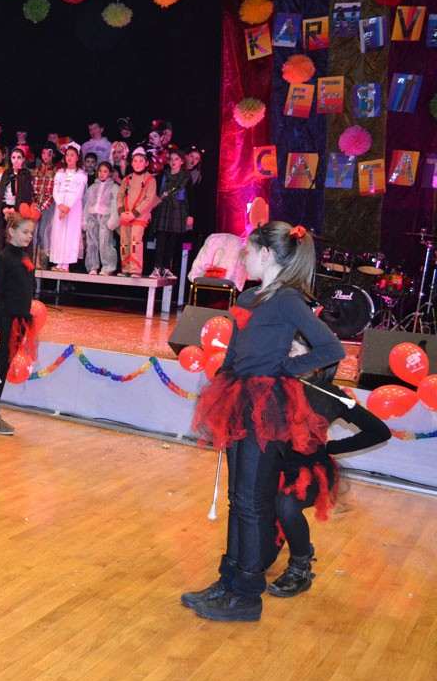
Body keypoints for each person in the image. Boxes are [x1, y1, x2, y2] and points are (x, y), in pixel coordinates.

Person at [185, 222, 346, 622]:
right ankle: (229, 579)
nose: (244, 257)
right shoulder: (249, 296)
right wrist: (224, 379)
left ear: (267, 254)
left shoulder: (288, 300)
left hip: (267, 407)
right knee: (237, 499)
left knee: (253, 503)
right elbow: (236, 348)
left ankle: (247, 594)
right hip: (237, 399)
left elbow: (331, 348)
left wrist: (285, 368)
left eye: (249, 250)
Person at [266, 343, 390, 597]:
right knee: (258, 559)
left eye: (296, 351)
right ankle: (291, 539)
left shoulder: (330, 395)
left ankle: (300, 568)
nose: (289, 356)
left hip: (311, 471)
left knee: (287, 504)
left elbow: (379, 431)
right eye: (286, 350)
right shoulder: (271, 386)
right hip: (273, 469)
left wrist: (332, 447)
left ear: (316, 361)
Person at [0, 215, 38, 436]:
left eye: (31, 233)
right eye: (25, 232)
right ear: (11, 231)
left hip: (19, 321)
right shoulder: (3, 259)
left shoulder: (24, 257)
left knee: (3, 367)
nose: (29, 236)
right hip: (4, 321)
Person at [117, 147, 158, 277]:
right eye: (135, 161)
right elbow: (120, 196)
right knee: (124, 242)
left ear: (146, 163)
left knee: (135, 242)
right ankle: (125, 268)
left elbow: (149, 199)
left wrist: (134, 213)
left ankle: (135, 269)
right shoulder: (127, 179)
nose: (138, 164)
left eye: (141, 161)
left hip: (139, 216)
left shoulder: (150, 180)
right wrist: (121, 211)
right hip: (125, 216)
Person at [151, 150, 193, 279]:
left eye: (176, 159)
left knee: (172, 240)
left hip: (178, 209)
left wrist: (190, 215)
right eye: (171, 159)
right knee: (161, 239)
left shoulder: (186, 177)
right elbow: (157, 194)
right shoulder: (163, 175)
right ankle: (157, 267)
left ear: (182, 161)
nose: (173, 162)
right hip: (163, 208)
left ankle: (167, 268)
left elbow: (190, 197)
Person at [0, 147, 32, 259]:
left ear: (23, 159)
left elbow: (26, 195)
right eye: (13, 157)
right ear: (10, 159)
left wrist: (15, 209)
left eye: (19, 158)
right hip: (5, 207)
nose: (16, 160)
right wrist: (3, 208)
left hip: (18, 209)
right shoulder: (7, 173)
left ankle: (15, 258)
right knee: (1, 233)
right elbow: (1, 192)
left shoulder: (26, 174)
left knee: (15, 233)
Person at [49, 144, 88, 272]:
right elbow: (55, 190)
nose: (69, 157)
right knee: (58, 232)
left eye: (72, 155)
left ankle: (66, 263)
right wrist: (60, 204)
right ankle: (58, 262)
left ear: (77, 157)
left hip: (73, 207)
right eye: (67, 155)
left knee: (70, 233)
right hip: (60, 205)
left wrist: (68, 207)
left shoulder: (81, 175)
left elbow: (78, 193)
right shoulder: (60, 173)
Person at [82, 162, 119, 275]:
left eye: (105, 171)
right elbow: (87, 204)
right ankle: (92, 266)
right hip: (92, 217)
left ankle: (108, 267)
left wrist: (113, 219)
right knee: (91, 242)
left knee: (105, 242)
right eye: (100, 171)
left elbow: (116, 205)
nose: (102, 174)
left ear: (110, 173)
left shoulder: (114, 187)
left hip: (105, 218)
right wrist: (84, 219)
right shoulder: (92, 187)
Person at [30, 143, 58, 267]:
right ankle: (34, 259)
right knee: (34, 231)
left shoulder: (56, 172)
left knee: (44, 231)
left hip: (48, 205)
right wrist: (35, 204)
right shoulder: (36, 171)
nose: (46, 156)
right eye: (44, 153)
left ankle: (43, 259)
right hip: (36, 205)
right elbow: (32, 189)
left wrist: (42, 207)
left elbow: (53, 192)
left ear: (53, 155)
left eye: (49, 153)